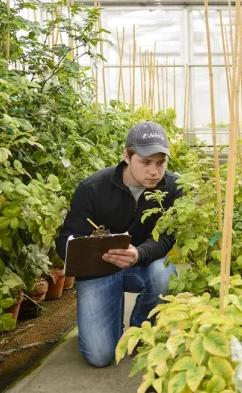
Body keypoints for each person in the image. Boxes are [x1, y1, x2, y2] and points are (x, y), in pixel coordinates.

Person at [56, 121, 182, 366]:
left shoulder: (173, 188)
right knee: (100, 356)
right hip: (99, 271)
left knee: (166, 272)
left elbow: (167, 237)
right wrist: (92, 250)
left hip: (141, 265)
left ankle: (139, 331)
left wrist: (138, 254)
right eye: (145, 162)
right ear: (126, 155)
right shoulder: (92, 188)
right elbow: (65, 242)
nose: (155, 171)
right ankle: (106, 322)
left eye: (160, 163)